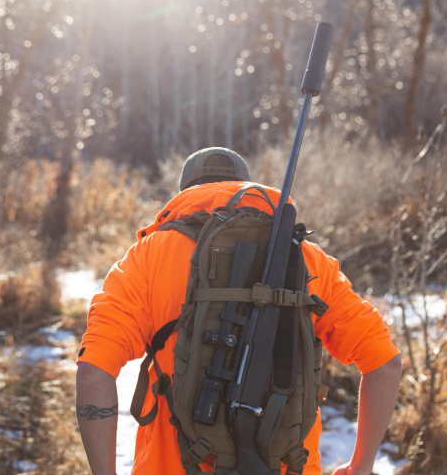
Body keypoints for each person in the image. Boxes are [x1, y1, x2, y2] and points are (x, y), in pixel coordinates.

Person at [76, 147, 402, 475]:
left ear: (186, 192)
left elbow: (93, 371)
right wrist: (361, 465)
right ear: (245, 186)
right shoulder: (307, 258)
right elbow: (384, 363)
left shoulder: (147, 257)